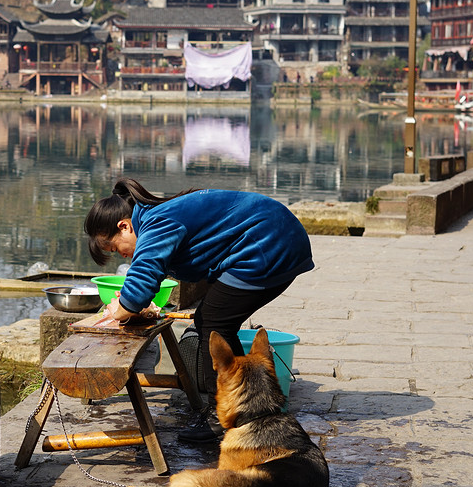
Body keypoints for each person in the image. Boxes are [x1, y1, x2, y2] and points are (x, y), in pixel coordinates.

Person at [84, 178, 314, 442]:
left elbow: (137, 289)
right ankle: (245, 405)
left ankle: (226, 416)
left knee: (215, 323)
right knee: (212, 321)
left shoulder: (156, 222)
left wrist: (119, 309)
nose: (122, 256)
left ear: (124, 226)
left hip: (269, 243)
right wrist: (132, 303)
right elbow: (150, 274)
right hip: (273, 238)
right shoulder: (153, 217)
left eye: (115, 248)